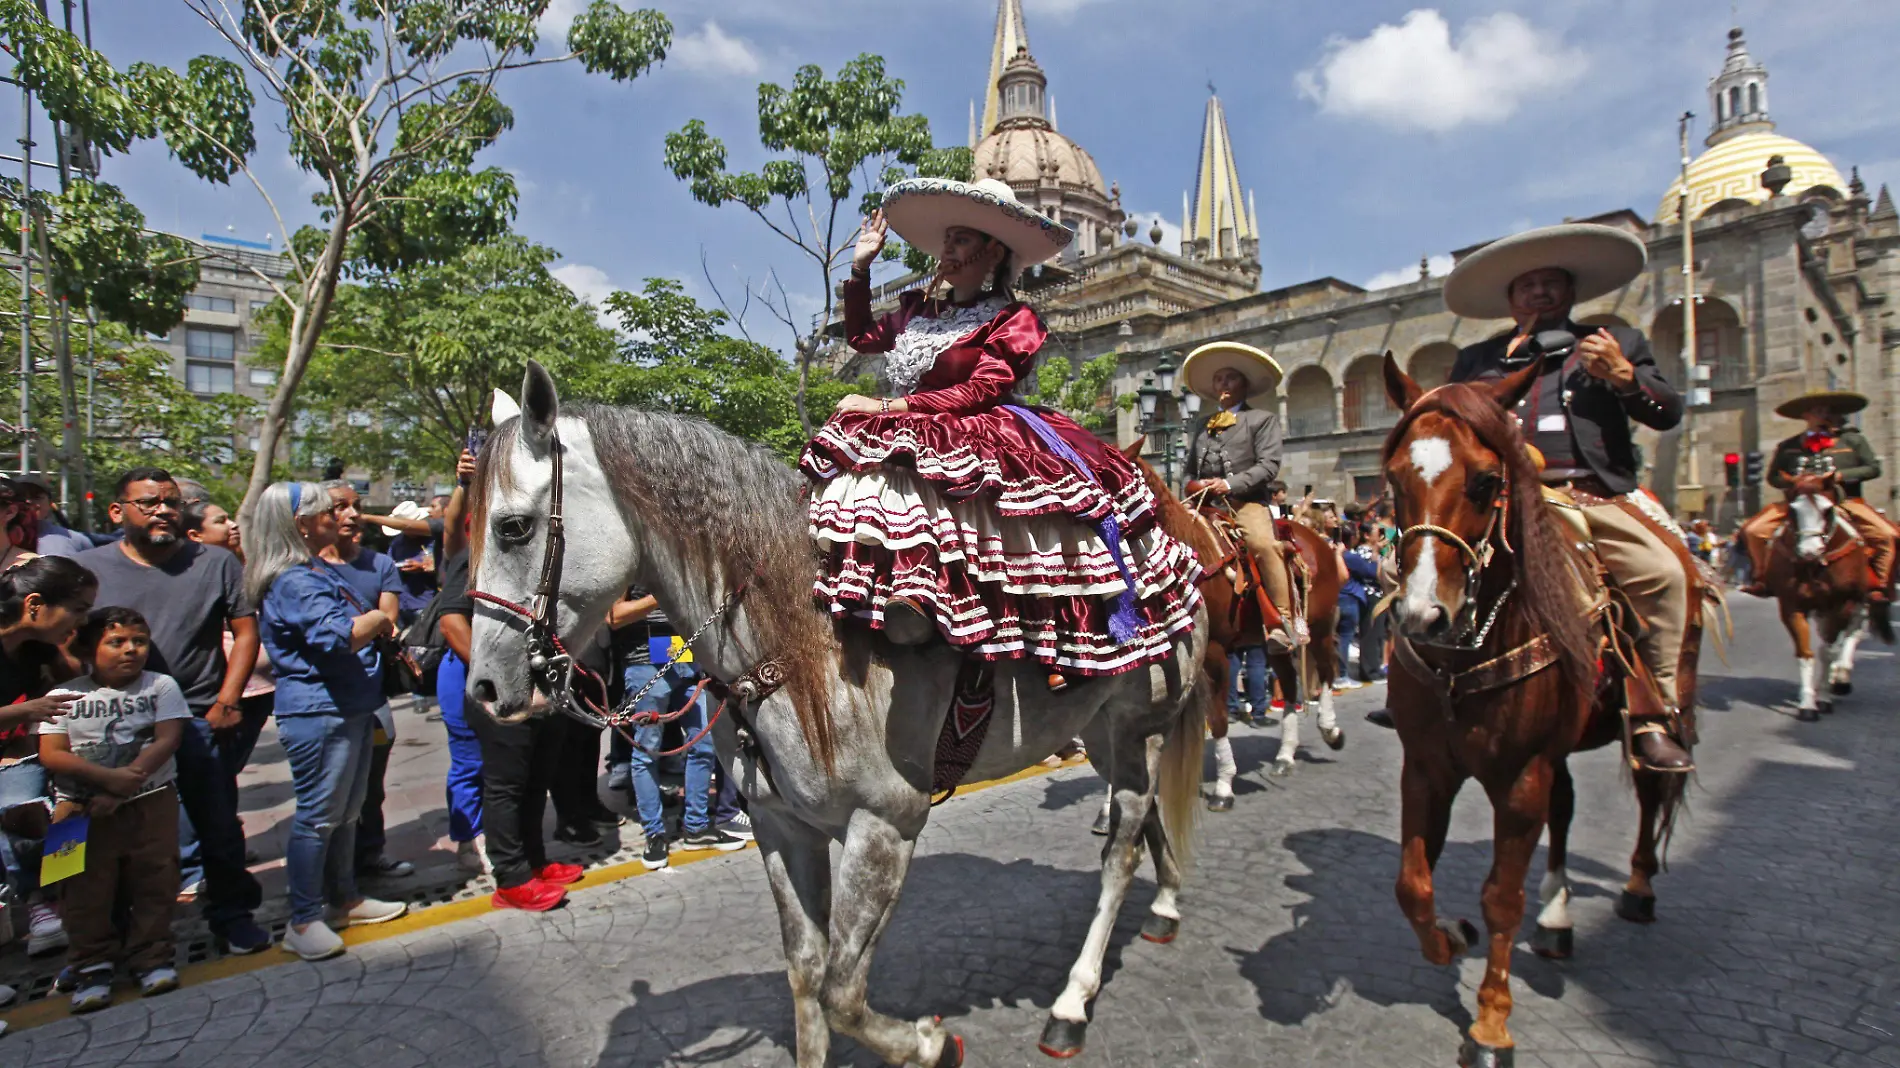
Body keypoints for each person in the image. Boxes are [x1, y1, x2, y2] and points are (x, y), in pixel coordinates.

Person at [802, 178, 1202, 691]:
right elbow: (860, 336)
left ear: (992, 251)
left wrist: (891, 405)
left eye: (961, 240)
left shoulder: (1014, 319)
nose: (947, 249)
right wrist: (860, 267)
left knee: (1032, 522)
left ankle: (1055, 651)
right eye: (947, 239)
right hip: (901, 430)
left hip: (980, 429)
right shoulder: (915, 311)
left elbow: (982, 389)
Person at [1443, 223, 1695, 772]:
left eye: (1550, 282)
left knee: (1663, 575)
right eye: (1526, 285)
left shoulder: (1614, 343)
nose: (1538, 292)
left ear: (1571, 291)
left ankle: (1654, 710)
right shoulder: (1477, 360)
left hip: (1588, 493)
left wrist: (1627, 380)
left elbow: (1668, 411)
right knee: (1414, 573)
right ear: (1509, 299)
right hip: (1502, 500)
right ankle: (1424, 686)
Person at [75, 469, 272, 952]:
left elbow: (246, 632)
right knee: (103, 834)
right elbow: (66, 640)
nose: (163, 510)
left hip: (200, 719)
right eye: (149, 502)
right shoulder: (88, 569)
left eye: (170, 502)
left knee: (218, 823)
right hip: (112, 728)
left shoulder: (216, 563)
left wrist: (228, 700)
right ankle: (100, 940)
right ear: (118, 512)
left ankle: (231, 915)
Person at [245, 481, 408, 960]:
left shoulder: (310, 570)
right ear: (300, 524)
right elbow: (341, 637)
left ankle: (345, 899)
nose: (336, 519)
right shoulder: (295, 580)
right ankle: (304, 918)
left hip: (349, 706)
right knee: (318, 818)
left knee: (345, 813)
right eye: (323, 513)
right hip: (321, 711)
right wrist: (379, 620)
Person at [38, 607, 189, 1011]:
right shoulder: (61, 696)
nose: (130, 650)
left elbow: (167, 739)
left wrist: (127, 781)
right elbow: (52, 755)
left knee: (155, 879)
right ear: (89, 649)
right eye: (116, 641)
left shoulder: (161, 686)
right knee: (76, 889)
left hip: (149, 800)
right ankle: (91, 966)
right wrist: (105, 781)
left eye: (139, 641)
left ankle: (151, 958)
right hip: (73, 811)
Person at [436, 540, 582, 911]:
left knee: (536, 781)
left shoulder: (544, 556)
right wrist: (497, 678)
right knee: (506, 787)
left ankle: (535, 861)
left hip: (544, 692)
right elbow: (452, 621)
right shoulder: (474, 556)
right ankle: (511, 878)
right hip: (502, 695)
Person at [315, 480, 414, 880]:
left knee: (369, 785)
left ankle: (368, 855)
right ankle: (323, 874)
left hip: (371, 698)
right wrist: (364, 626)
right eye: (340, 507)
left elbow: (387, 622)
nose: (352, 515)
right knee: (326, 792)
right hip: (320, 701)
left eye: (356, 506)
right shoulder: (301, 570)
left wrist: (361, 627)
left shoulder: (379, 565)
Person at [607, 588, 746, 870]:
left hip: (685, 661)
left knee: (703, 746)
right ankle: (654, 834)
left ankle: (695, 827)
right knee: (646, 753)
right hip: (646, 664)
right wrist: (660, 595)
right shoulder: (633, 564)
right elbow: (614, 616)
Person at [0, 557, 94, 960]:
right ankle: (38, 901)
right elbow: (33, 709)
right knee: (18, 812)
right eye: (78, 609)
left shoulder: (36, 649)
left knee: (66, 812)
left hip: (15, 755)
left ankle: (64, 898)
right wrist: (23, 712)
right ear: (34, 605)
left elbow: (70, 682)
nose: (82, 620)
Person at [1182, 342, 1300, 650]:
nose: (1223, 384)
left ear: (1244, 385)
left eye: (1230, 378)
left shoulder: (1262, 420)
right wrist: (1192, 486)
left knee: (1263, 544)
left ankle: (1281, 622)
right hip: (1203, 504)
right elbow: (1187, 471)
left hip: (1244, 503)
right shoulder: (1202, 425)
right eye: (1218, 379)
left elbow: (1269, 466)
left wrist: (1229, 484)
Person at [1738, 391, 1894, 602]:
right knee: (1753, 530)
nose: (1824, 414)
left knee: (1886, 534)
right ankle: (1762, 578)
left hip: (1844, 501)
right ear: (1806, 415)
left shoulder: (1853, 440)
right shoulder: (1788, 446)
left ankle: (1880, 585)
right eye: (1818, 411)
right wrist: (1794, 481)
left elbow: (1873, 468)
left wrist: (1841, 476)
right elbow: (1773, 477)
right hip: (1800, 501)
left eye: (1828, 410)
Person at [17, 478, 94, 559]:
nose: (28, 501)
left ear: (50, 503)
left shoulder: (77, 540)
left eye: (36, 497)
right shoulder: (4, 541)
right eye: (21, 497)